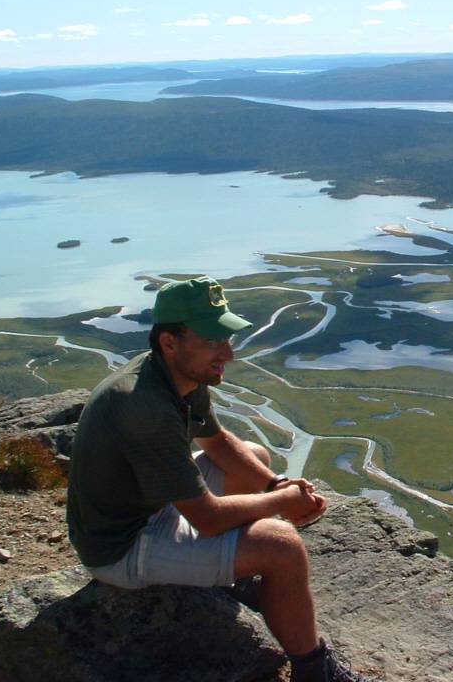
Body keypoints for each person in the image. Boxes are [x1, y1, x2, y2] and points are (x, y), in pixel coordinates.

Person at [66, 276, 373, 682]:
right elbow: (207, 519)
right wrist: (282, 503)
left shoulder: (174, 375)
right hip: (121, 545)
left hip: (149, 506)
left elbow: (218, 443)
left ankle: (231, 576)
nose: (227, 353)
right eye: (212, 341)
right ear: (169, 342)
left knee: (254, 455)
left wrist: (275, 484)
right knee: (282, 546)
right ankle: (315, 671)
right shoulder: (146, 407)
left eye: (226, 338)